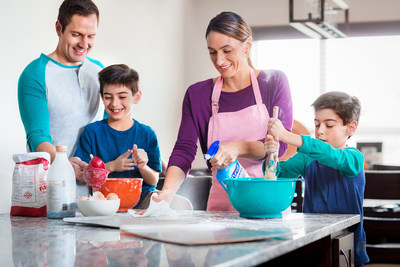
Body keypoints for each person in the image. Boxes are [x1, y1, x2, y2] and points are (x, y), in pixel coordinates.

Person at [152, 11, 293, 211]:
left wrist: (238, 147)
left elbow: (281, 145)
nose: (219, 61)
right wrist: (167, 192)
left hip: (266, 203)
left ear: (247, 46)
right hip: (221, 208)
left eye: (227, 50)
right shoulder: (198, 94)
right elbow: (184, 150)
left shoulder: (274, 82)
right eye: (212, 52)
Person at [263, 91, 369, 266]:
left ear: (350, 128)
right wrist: (271, 155)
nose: (320, 131)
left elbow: (330, 155)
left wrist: (287, 136)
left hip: (348, 242)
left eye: (329, 125)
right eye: (317, 124)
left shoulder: (354, 159)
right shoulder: (307, 158)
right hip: (313, 240)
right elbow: (278, 174)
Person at [17, 0, 103, 196]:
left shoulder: (99, 71)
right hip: (50, 189)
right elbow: (37, 136)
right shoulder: (35, 74)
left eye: (91, 36)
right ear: (59, 28)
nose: (84, 44)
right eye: (76, 35)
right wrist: (65, 166)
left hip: (95, 194)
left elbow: (115, 123)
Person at [74, 64, 161, 206]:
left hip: (141, 201)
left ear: (136, 97)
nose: (115, 103)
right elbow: (82, 176)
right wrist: (111, 166)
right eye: (108, 97)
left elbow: (153, 180)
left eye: (122, 97)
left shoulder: (147, 134)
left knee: (162, 199)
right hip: (103, 201)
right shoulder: (92, 132)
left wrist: (143, 166)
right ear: (102, 97)